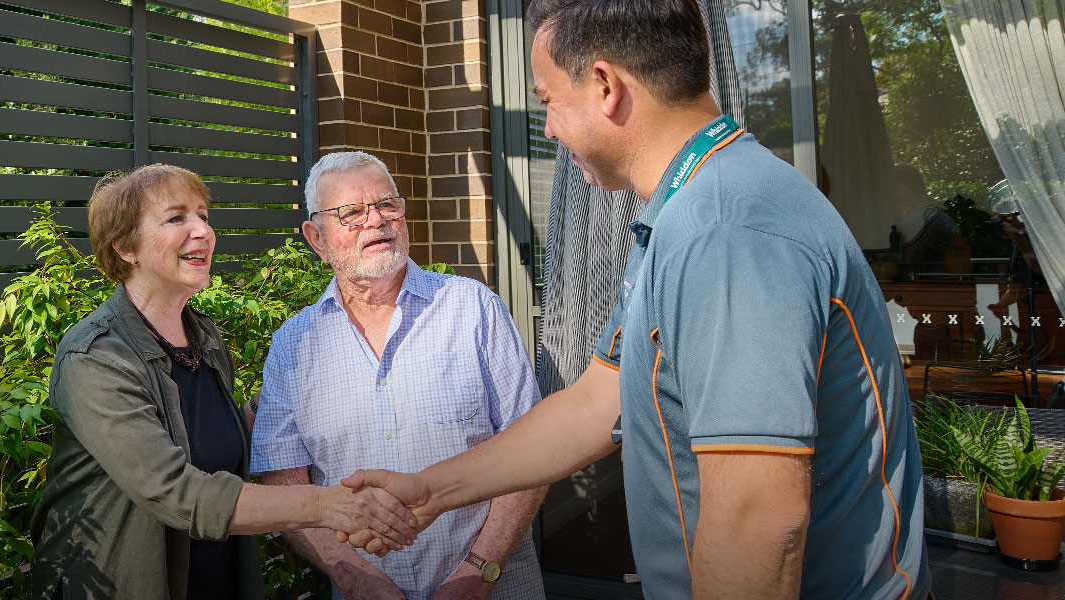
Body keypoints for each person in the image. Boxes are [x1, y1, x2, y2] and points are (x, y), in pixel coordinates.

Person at [341, 1, 930, 598]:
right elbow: (596, 403)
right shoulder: (688, 215)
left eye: (547, 100)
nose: (545, 128)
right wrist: (433, 492)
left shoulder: (725, 233)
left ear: (604, 86)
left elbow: (759, 517)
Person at [28, 164, 417, 600]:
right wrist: (331, 506)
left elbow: (225, 436)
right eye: (177, 218)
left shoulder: (202, 337)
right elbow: (177, 491)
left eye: (204, 216)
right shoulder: (97, 357)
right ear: (125, 247)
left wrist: (307, 381)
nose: (203, 231)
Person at [250, 152, 547, 600]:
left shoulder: (473, 309)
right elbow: (282, 481)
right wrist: (354, 577)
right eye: (351, 213)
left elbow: (534, 449)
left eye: (388, 205)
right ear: (317, 239)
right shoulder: (294, 345)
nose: (376, 220)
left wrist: (479, 570)